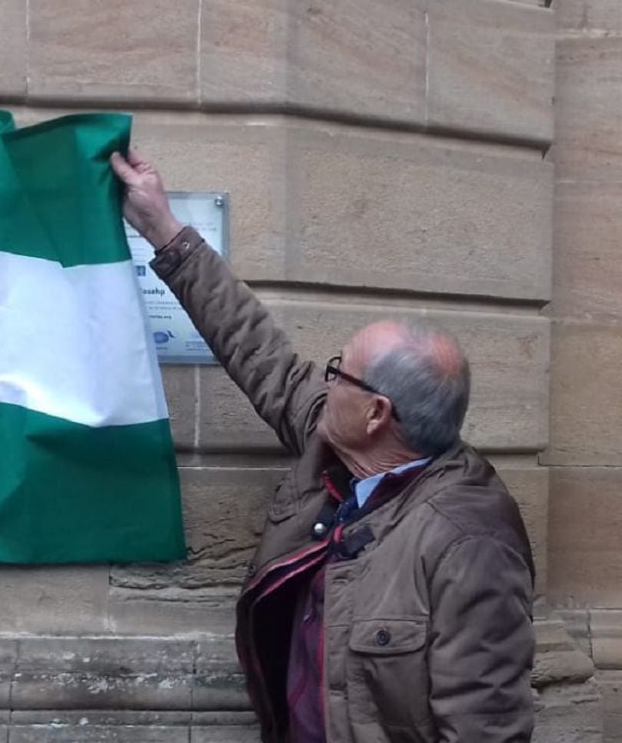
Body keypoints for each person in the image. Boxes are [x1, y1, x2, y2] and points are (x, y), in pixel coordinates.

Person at [111, 149, 535, 743]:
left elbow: (485, 728)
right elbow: (257, 349)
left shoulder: (469, 543)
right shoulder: (336, 443)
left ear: (376, 413)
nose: (325, 381)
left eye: (341, 373)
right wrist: (161, 227)